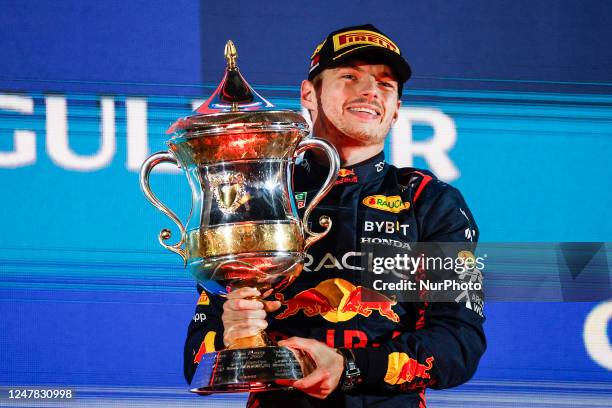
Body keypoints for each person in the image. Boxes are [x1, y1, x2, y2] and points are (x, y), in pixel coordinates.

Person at [184, 24, 486, 407]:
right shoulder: (256, 194)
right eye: (349, 77)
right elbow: (195, 360)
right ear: (309, 94)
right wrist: (232, 331)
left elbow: (459, 343)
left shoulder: (429, 201)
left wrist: (349, 367)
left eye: (386, 84)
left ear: (396, 111)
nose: (370, 90)